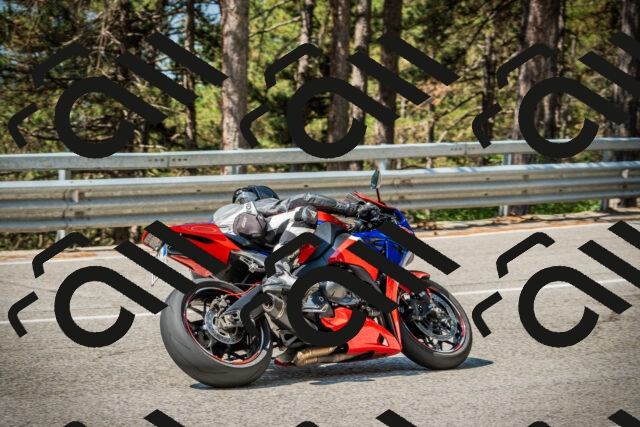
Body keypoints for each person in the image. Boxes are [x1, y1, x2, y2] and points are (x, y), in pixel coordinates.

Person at [211, 185, 378, 290]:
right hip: (237, 238)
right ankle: (279, 271)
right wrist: (351, 210)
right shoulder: (250, 208)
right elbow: (305, 199)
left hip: (227, 266)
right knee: (306, 212)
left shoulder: (219, 217)